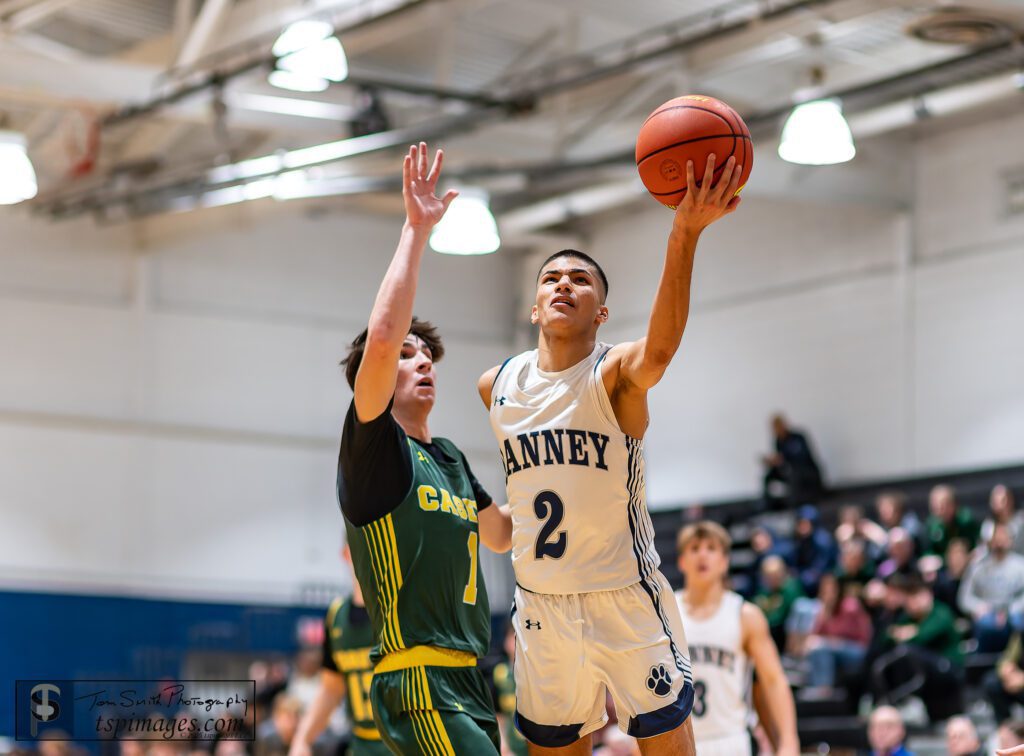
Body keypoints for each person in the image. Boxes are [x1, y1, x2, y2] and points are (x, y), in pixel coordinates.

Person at [479, 153, 743, 755]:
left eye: (579, 279)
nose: (562, 283)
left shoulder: (615, 372)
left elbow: (663, 347)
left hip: (624, 593)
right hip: (542, 603)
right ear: (534, 306)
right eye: (550, 278)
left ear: (600, 313)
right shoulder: (494, 385)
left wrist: (685, 232)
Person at [338, 143, 512, 755]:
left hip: (470, 675)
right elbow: (381, 340)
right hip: (417, 677)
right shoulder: (374, 448)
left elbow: (502, 535)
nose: (421, 361)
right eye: (407, 355)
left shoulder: (454, 461)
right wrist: (416, 232)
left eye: (427, 354)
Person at [674, 522, 799, 756]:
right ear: (682, 561)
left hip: (732, 740)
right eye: (694, 548)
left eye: (711, 548)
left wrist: (789, 743)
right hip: (680, 742)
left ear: (725, 561)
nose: (703, 554)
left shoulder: (745, 614)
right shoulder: (666, 614)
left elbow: (774, 682)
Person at [290, 546, 388, 756]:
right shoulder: (336, 615)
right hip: (361, 745)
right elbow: (331, 688)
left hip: (403, 744)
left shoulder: (399, 609)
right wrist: (302, 739)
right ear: (346, 553)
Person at [872, 575, 964, 722]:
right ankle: (892, 701)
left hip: (948, 667)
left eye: (918, 595)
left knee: (908, 651)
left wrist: (912, 632)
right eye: (910, 597)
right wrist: (904, 632)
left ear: (928, 595)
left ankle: (911, 701)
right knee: (887, 654)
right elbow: (886, 637)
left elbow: (924, 636)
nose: (914, 602)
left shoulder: (941, 612)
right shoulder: (907, 618)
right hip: (923, 669)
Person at [958, 523, 1024, 652]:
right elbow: (964, 597)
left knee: (1018, 623)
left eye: (1003, 537)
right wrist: (978, 607)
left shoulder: (1021, 565)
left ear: (1010, 539)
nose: (999, 541)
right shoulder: (978, 567)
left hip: (1014, 611)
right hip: (987, 612)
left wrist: (1010, 610)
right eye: (996, 537)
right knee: (985, 625)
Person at [803, 573, 872, 689]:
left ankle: (824, 691)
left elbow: (851, 635)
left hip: (858, 649)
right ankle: (816, 689)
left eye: (831, 589)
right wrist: (824, 613)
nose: (828, 593)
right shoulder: (825, 608)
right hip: (833, 649)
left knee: (822, 648)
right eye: (825, 590)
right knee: (817, 649)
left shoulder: (850, 606)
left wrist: (830, 642)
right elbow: (815, 634)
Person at [760, 413, 824, 509]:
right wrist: (773, 462)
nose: (777, 431)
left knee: (794, 474)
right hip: (790, 471)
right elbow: (781, 463)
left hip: (806, 471)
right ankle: (768, 506)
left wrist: (784, 459)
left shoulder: (798, 437)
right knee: (768, 476)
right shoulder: (778, 441)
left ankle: (793, 506)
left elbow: (803, 457)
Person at [753, 555, 804, 652]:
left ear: (782, 573)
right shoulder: (764, 591)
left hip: (784, 632)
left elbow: (783, 616)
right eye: (767, 576)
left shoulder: (791, 589)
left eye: (774, 576)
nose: (770, 579)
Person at [793, 505, 838, 596]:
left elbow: (823, 567)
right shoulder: (801, 540)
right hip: (807, 576)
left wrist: (806, 575)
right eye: (800, 523)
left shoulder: (823, 540)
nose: (802, 527)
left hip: (824, 580)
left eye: (805, 523)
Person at [924, 484, 980, 555]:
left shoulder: (966, 522)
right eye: (935, 504)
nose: (939, 508)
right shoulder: (930, 526)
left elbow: (976, 546)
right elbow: (928, 553)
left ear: (953, 504)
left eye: (943, 504)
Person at [984, 632, 1024, 722]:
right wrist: (1006, 671)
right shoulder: (1020, 633)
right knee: (992, 682)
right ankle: (1006, 726)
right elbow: (1008, 657)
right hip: (1016, 679)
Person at [983, 485, 1024, 555]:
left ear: (1011, 500)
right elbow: (986, 549)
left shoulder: (1021, 520)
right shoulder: (988, 525)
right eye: (995, 501)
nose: (999, 505)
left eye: (1003, 500)